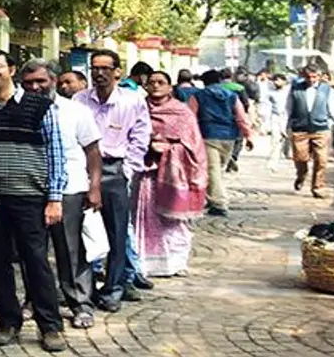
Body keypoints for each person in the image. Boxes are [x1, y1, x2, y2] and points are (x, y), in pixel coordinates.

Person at [0, 50, 67, 352]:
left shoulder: (41, 106)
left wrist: (54, 198)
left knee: (36, 262)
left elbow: (56, 153)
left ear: (11, 69)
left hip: (31, 198)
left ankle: (49, 325)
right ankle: (8, 321)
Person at [19, 60, 102, 329]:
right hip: (30, 189)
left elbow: (92, 151)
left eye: (40, 81)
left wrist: (95, 186)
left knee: (70, 249)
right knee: (32, 250)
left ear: (53, 81)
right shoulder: (18, 110)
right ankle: (34, 300)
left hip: (70, 188)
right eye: (29, 83)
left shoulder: (75, 111)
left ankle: (80, 303)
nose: (35, 87)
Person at [73, 49, 151, 310]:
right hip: (81, 171)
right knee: (79, 232)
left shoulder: (132, 101)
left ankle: (113, 289)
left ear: (118, 71)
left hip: (115, 170)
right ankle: (81, 290)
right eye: (95, 68)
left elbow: (140, 138)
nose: (100, 73)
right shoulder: (79, 100)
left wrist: (127, 170)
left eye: (106, 68)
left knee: (117, 233)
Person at [135, 72, 207, 277]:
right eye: (151, 82)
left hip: (175, 175)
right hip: (145, 173)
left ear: (170, 87)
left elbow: (193, 145)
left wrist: (167, 149)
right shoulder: (138, 109)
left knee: (173, 222)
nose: (156, 86)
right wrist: (148, 146)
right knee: (144, 217)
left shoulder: (182, 113)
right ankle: (145, 263)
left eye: (161, 83)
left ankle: (175, 262)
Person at [188, 70, 252, 217]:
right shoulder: (232, 96)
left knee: (213, 170)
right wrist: (248, 135)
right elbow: (241, 117)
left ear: (204, 82)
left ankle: (219, 203)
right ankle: (212, 198)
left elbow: (190, 117)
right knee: (218, 169)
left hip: (208, 135)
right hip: (229, 137)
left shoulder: (198, 96)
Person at [285, 65, 334, 199]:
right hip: (300, 129)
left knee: (321, 160)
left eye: (314, 77)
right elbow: (288, 108)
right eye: (308, 77)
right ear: (303, 76)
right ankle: (301, 175)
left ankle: (318, 187)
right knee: (300, 158)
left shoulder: (326, 90)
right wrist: (285, 126)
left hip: (320, 129)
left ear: (319, 76)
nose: (311, 80)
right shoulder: (295, 89)